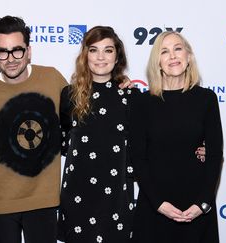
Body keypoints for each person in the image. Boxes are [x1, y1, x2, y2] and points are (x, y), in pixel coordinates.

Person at [0, 15, 68, 243]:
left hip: (43, 200)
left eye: (17, 50)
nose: (11, 59)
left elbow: (80, 111)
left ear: (29, 51)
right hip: (0, 201)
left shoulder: (52, 78)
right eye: (3, 52)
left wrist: (118, 84)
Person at [130, 31, 223, 243]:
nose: (172, 56)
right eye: (164, 51)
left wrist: (203, 204)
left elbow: (215, 155)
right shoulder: (142, 103)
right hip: (154, 207)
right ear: (158, 63)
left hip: (196, 208)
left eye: (178, 49)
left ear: (188, 57)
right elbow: (138, 157)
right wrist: (158, 203)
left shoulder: (207, 99)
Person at [57, 26, 137, 243]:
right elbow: (63, 140)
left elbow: (145, 144)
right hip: (78, 193)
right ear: (85, 55)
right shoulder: (69, 95)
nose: (101, 57)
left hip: (117, 196)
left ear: (117, 55)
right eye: (94, 50)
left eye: (108, 50)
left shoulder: (131, 96)